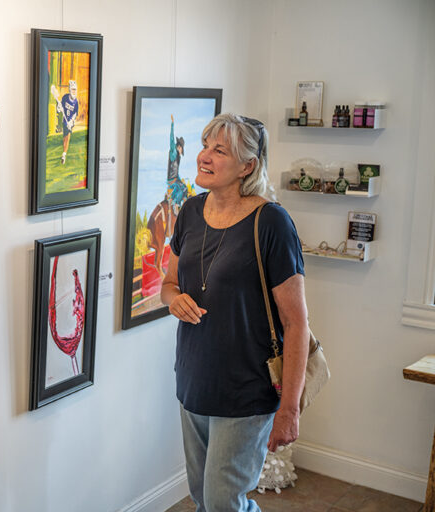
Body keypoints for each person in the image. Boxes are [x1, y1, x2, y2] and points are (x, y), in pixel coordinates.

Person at [160, 113, 310, 512]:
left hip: (246, 388)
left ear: (248, 166)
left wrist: (289, 409)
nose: (203, 157)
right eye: (205, 145)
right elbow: (167, 283)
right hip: (193, 380)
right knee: (202, 499)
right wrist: (173, 298)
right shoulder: (190, 211)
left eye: (219, 150)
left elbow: (296, 324)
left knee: (224, 502)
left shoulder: (272, 223)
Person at [166, 114, 187, 215]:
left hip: (175, 178)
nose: (181, 150)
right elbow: (171, 140)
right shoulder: (173, 154)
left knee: (184, 188)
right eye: (181, 148)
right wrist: (172, 124)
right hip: (172, 180)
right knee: (182, 188)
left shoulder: (178, 157)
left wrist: (180, 178)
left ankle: (178, 201)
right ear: (179, 147)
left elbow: (176, 172)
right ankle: (175, 203)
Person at [56, 80, 79, 164]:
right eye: (72, 89)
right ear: (69, 89)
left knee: (68, 136)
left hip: (70, 122)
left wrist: (71, 122)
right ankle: (64, 152)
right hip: (64, 121)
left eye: (75, 90)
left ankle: (64, 154)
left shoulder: (76, 102)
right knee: (64, 137)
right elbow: (60, 108)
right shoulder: (65, 97)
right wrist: (59, 108)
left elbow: (75, 114)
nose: (74, 91)